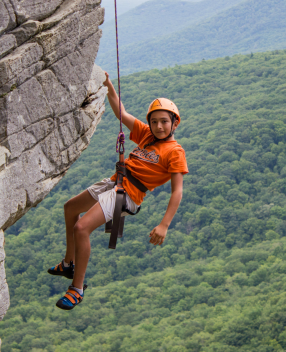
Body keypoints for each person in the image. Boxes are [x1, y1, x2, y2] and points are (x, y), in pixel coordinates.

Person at [48, 72, 189, 310]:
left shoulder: (175, 152)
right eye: (154, 121)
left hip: (128, 195)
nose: (158, 126)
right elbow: (122, 114)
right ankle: (68, 263)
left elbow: (177, 191)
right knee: (70, 208)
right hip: (115, 181)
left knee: (81, 228)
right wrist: (109, 86)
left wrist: (164, 224)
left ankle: (77, 289)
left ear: (175, 122)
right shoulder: (146, 134)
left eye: (164, 121)